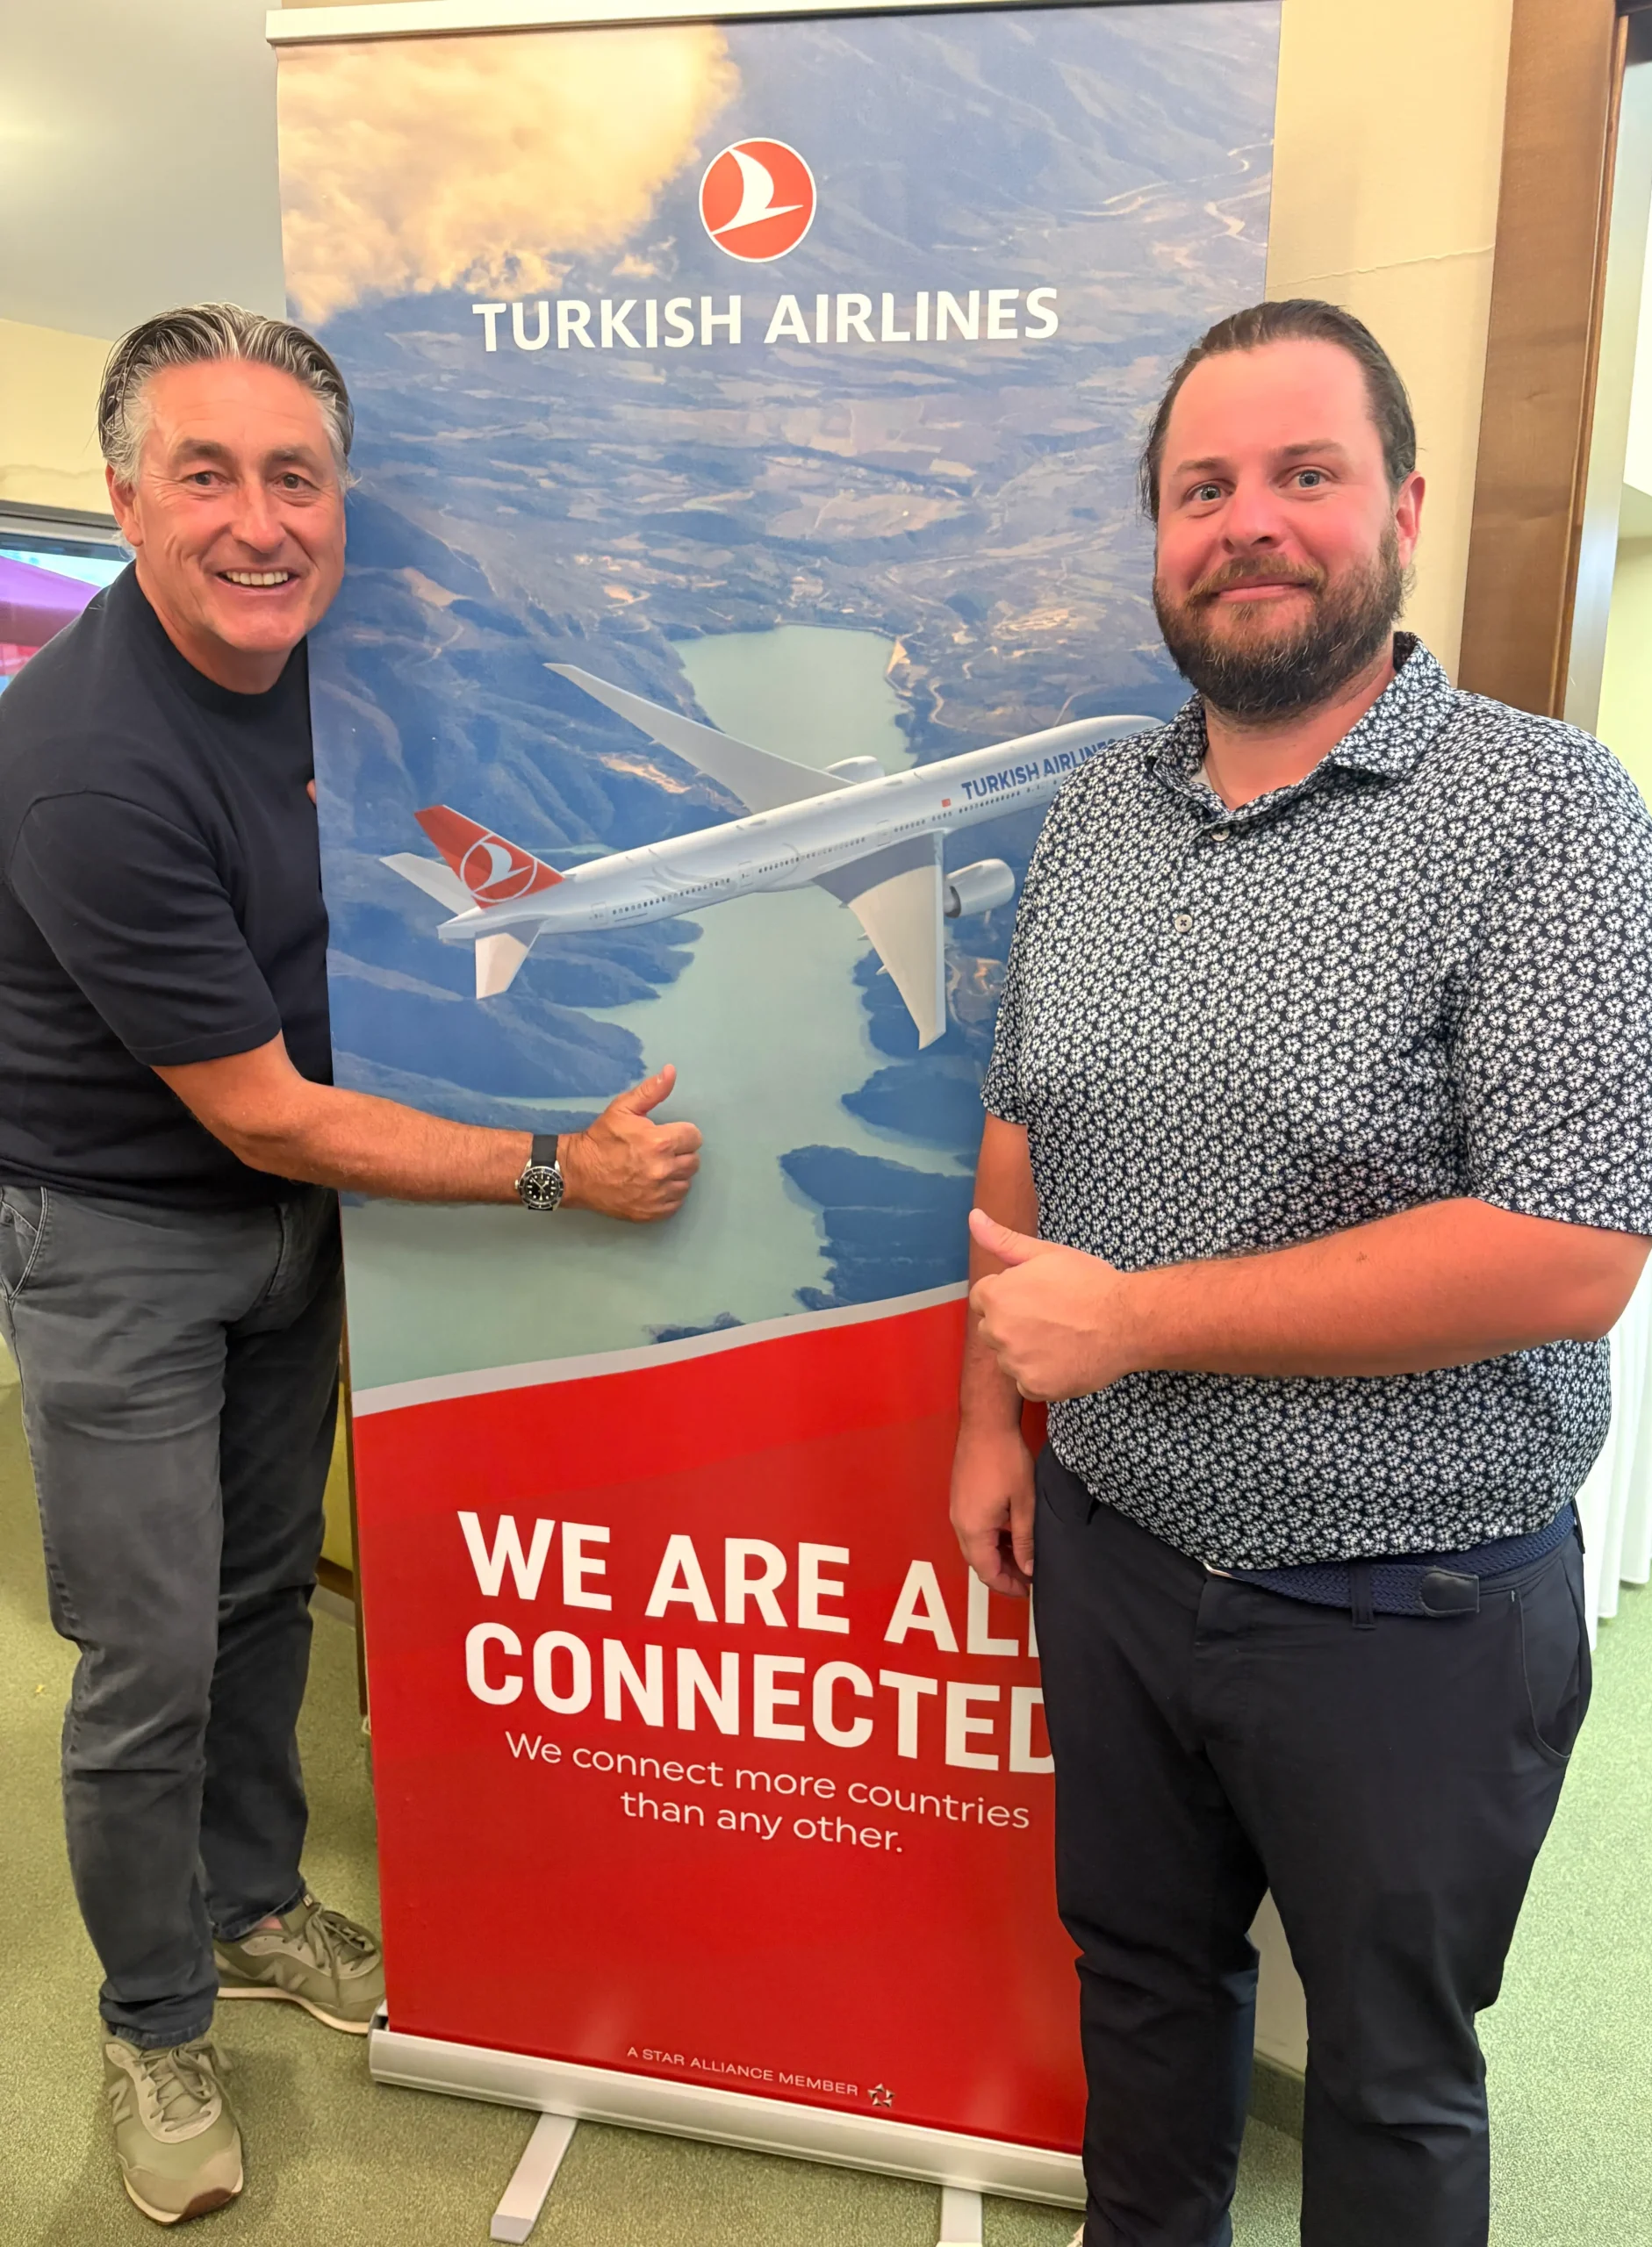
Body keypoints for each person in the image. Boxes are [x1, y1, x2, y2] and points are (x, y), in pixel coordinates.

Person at [950, 298, 1652, 2247]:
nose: (1248, 522)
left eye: (1303, 474)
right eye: (1203, 489)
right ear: (1160, 535)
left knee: (1389, 2070)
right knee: (1140, 1983)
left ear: (1404, 510)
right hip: (1116, 1551)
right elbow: (1023, 1127)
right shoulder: (1098, 813)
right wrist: (992, 1425)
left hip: (1407, 1599)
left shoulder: (1550, 816)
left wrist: (1132, 1321)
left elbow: (1569, 1246)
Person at [0, 304, 702, 2228]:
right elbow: (265, 1113)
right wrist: (557, 1168)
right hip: (121, 1238)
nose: (259, 521)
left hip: (290, 1234)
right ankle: (154, 2022)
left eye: (294, 477)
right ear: (126, 498)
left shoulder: (334, 678)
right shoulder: (81, 761)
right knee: (147, 1654)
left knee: (260, 1597)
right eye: (206, 475)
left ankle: (249, 1907)